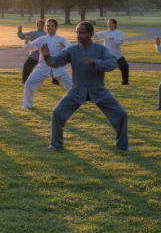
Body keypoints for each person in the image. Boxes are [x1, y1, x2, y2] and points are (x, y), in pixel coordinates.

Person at [41, 21, 131, 151]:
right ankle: (56, 144)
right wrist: (47, 57)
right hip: (77, 90)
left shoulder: (101, 49)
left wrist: (95, 62)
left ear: (90, 34)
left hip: (98, 90)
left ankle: (122, 145)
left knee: (121, 114)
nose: (78, 35)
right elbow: (57, 61)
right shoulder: (72, 50)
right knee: (57, 112)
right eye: (77, 32)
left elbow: (112, 63)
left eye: (82, 33)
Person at [21, 19, 73, 109]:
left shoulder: (61, 39)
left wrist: (65, 46)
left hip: (57, 67)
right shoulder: (42, 39)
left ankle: (76, 104)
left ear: (56, 27)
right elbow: (30, 47)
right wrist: (27, 40)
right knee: (29, 83)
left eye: (52, 26)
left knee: (72, 84)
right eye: (48, 26)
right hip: (43, 67)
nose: (50, 27)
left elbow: (71, 46)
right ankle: (27, 105)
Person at [17, 19, 60, 86]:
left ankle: (55, 81)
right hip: (34, 55)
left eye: (40, 25)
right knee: (27, 66)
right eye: (37, 25)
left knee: (52, 67)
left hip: (45, 55)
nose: (39, 26)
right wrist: (20, 32)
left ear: (43, 26)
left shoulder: (46, 34)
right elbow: (23, 36)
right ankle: (24, 81)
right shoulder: (33, 33)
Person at [94, 18, 130, 86]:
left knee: (125, 66)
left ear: (115, 24)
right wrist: (91, 31)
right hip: (107, 54)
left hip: (117, 54)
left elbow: (121, 40)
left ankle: (125, 82)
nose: (111, 25)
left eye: (112, 23)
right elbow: (95, 36)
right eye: (109, 23)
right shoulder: (105, 33)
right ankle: (98, 82)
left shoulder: (119, 33)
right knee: (100, 67)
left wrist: (114, 38)